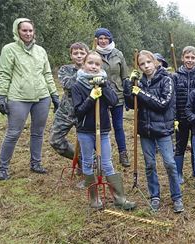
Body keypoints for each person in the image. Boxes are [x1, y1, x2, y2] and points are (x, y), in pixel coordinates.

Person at [0, 18, 60, 180]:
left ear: (34, 32)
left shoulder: (40, 51)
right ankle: (3, 167)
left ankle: (36, 163)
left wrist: (54, 95)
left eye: (30, 30)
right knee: (13, 133)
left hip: (42, 97)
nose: (28, 33)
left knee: (38, 133)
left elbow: (47, 74)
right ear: (17, 31)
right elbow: (4, 74)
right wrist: (1, 96)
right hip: (18, 97)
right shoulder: (9, 49)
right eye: (24, 30)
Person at [72, 51, 135, 210]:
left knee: (107, 163)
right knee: (87, 162)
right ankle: (94, 199)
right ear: (84, 64)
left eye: (97, 64)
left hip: (103, 130)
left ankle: (119, 198)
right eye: (90, 63)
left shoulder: (105, 82)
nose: (93, 67)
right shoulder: (77, 86)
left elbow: (114, 101)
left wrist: (104, 86)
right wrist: (91, 97)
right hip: (85, 131)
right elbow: (78, 111)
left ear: (101, 66)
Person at [123, 50, 184, 213]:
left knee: (170, 164)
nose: (146, 66)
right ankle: (154, 196)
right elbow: (130, 104)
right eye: (142, 64)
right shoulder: (139, 82)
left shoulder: (167, 79)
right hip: (145, 129)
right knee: (149, 164)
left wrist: (140, 93)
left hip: (163, 129)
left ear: (155, 61)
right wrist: (130, 85)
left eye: (148, 62)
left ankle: (177, 197)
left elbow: (163, 104)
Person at [49, 42, 88, 175]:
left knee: (87, 142)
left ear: (87, 54)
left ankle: (88, 166)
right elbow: (68, 85)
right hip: (65, 112)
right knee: (55, 140)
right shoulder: (64, 69)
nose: (79, 56)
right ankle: (79, 159)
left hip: (85, 111)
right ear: (71, 55)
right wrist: (82, 71)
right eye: (75, 53)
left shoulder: (95, 68)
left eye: (82, 53)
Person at [94, 27, 129, 167]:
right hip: (100, 96)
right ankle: (98, 155)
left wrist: (127, 95)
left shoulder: (118, 54)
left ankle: (123, 153)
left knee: (118, 126)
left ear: (110, 39)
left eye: (105, 38)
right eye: (100, 38)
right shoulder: (93, 54)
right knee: (100, 126)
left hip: (118, 95)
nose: (103, 41)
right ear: (96, 40)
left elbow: (124, 75)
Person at [173, 46, 195, 184]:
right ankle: (178, 173)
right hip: (181, 117)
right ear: (182, 58)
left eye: (193, 58)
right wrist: (174, 117)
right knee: (180, 145)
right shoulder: (175, 76)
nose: (190, 60)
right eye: (187, 57)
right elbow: (172, 98)